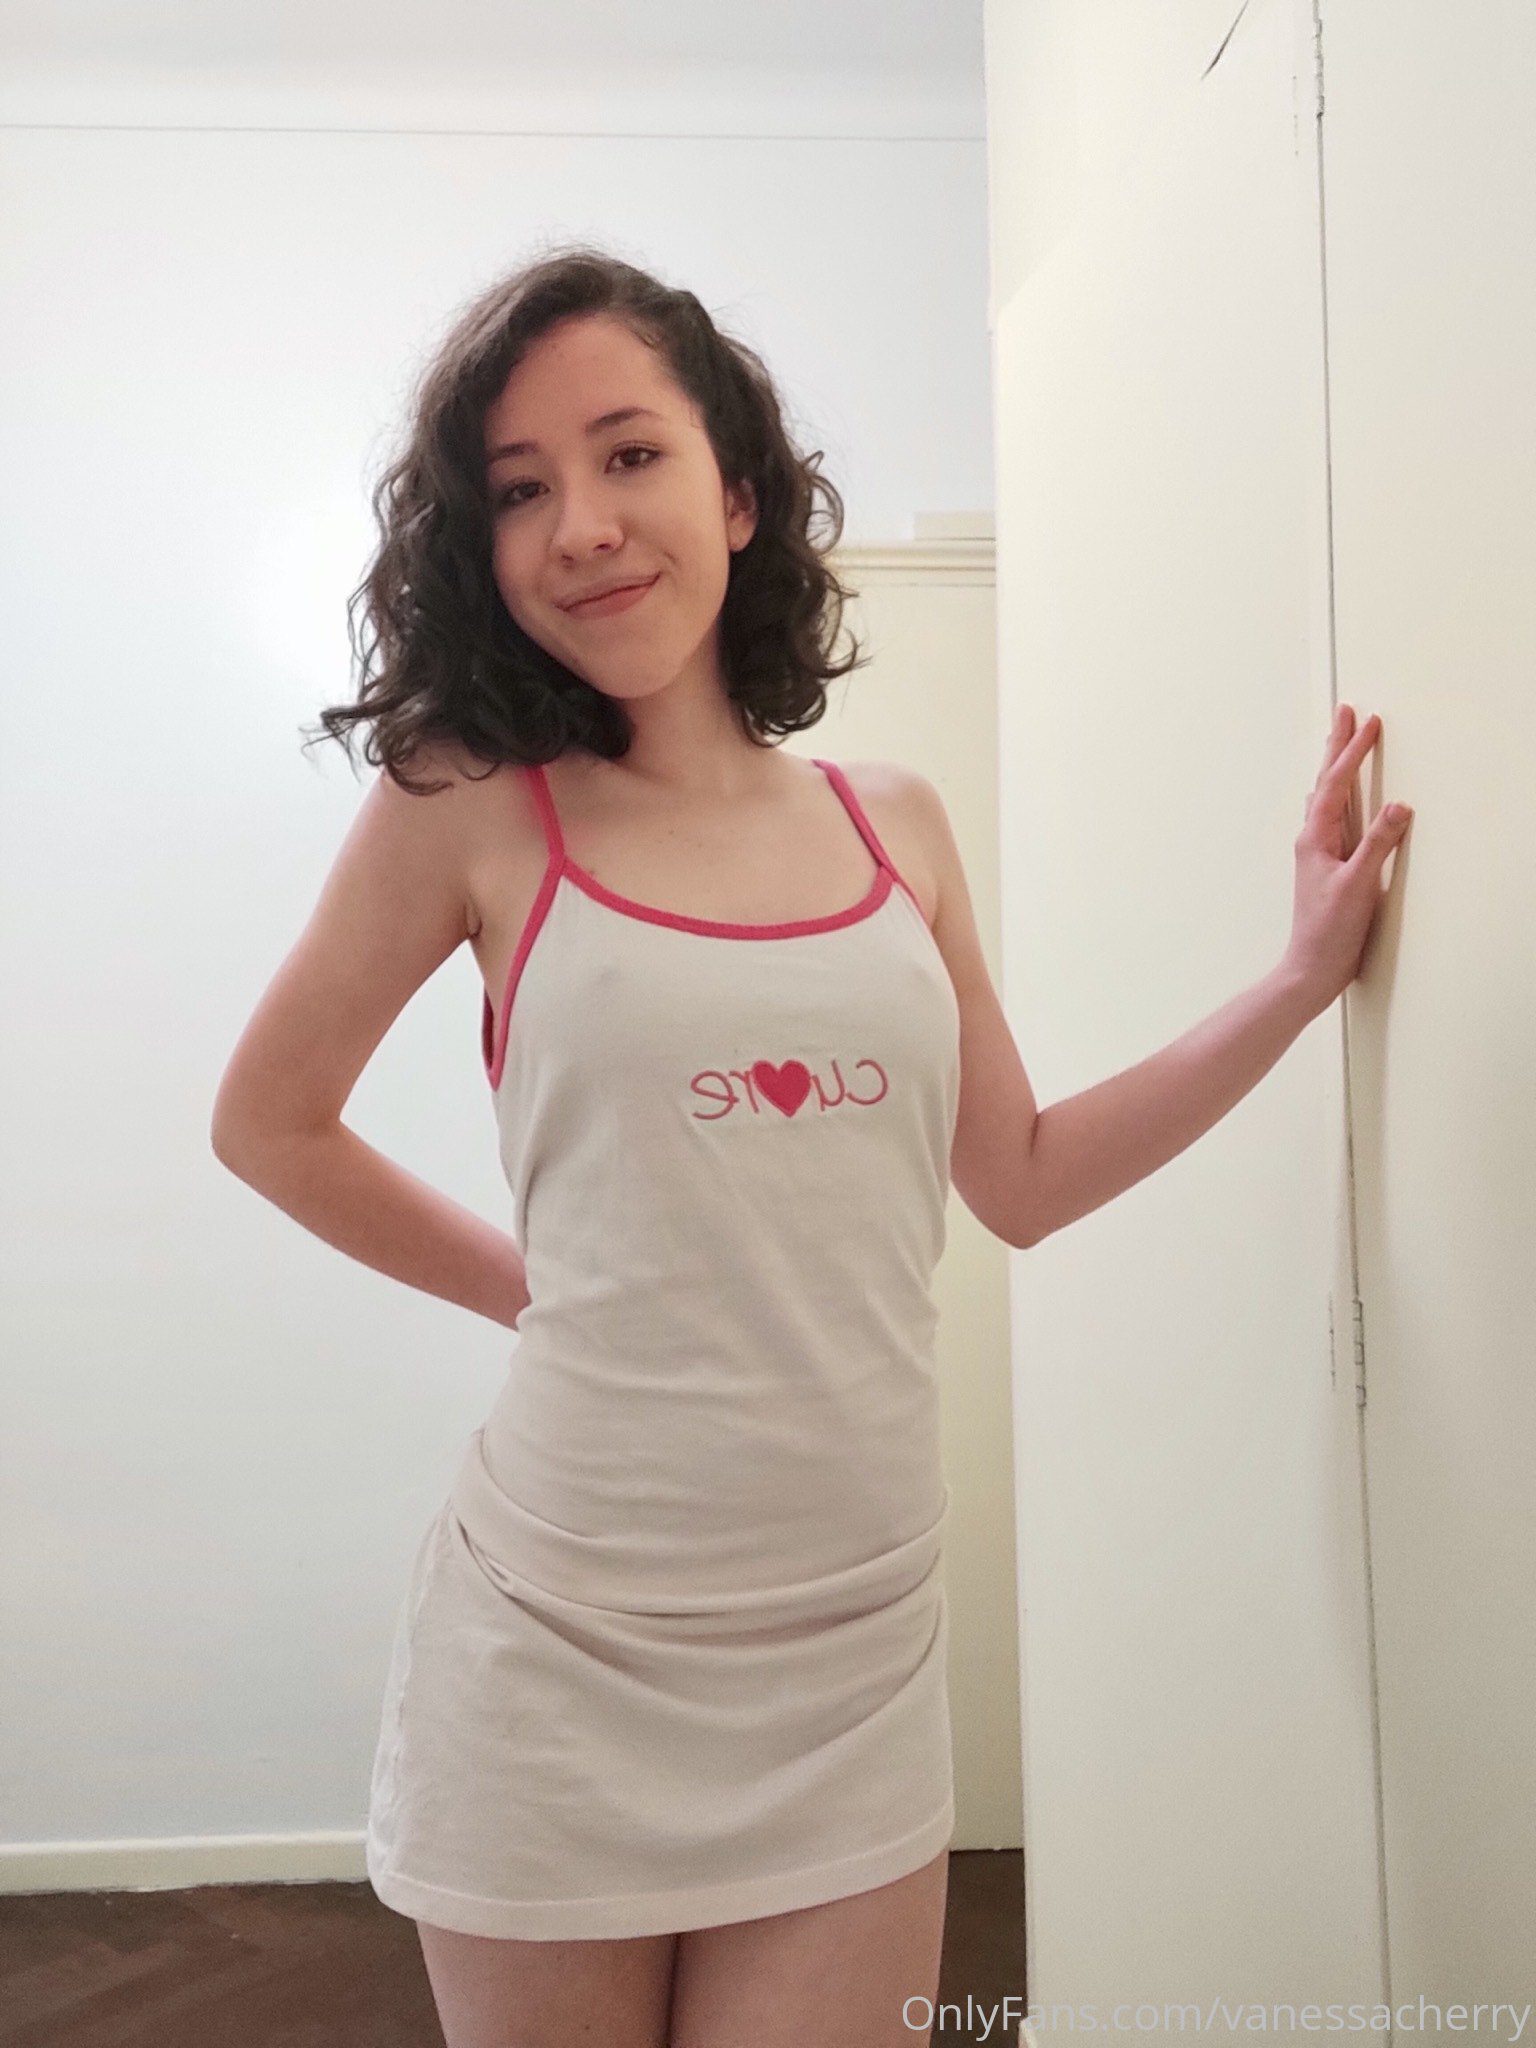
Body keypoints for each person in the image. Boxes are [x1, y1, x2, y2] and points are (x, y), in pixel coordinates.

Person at [210, 243, 1412, 2048]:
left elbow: (1022, 1177)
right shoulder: (466, 802)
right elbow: (270, 1122)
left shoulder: (895, 826)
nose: (581, 526)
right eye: (520, 491)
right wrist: (541, 1291)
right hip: (562, 1646)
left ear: (739, 492)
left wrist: (1301, 980)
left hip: (854, 1655)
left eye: (630, 455)